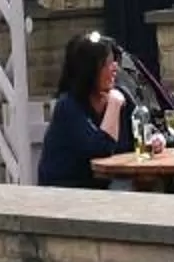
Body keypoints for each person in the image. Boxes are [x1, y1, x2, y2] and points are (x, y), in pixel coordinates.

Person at [38, 32, 131, 189]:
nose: (115, 67)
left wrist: (157, 140)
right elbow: (101, 150)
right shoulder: (68, 106)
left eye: (114, 61)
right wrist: (114, 105)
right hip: (66, 195)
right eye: (107, 63)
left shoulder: (121, 96)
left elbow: (143, 133)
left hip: (99, 191)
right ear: (90, 70)